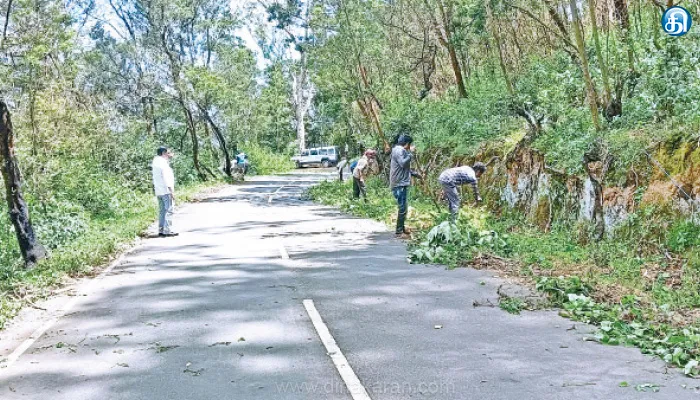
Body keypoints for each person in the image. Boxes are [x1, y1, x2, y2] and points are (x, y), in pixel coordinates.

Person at [390, 134, 421, 237]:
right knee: (403, 207)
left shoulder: (398, 150)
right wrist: (411, 154)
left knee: (404, 207)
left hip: (400, 182)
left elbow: (404, 168)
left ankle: (401, 229)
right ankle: (399, 231)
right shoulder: (399, 150)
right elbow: (403, 163)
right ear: (407, 144)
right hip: (399, 183)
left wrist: (416, 174)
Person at [152, 146, 178, 237]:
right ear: (163, 153)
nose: (169, 155)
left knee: (162, 211)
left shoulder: (155, 162)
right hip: (166, 190)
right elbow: (166, 178)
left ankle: (161, 230)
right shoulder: (163, 163)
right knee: (169, 210)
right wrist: (171, 191)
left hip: (158, 191)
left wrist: (170, 157)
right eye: (168, 153)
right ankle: (167, 230)